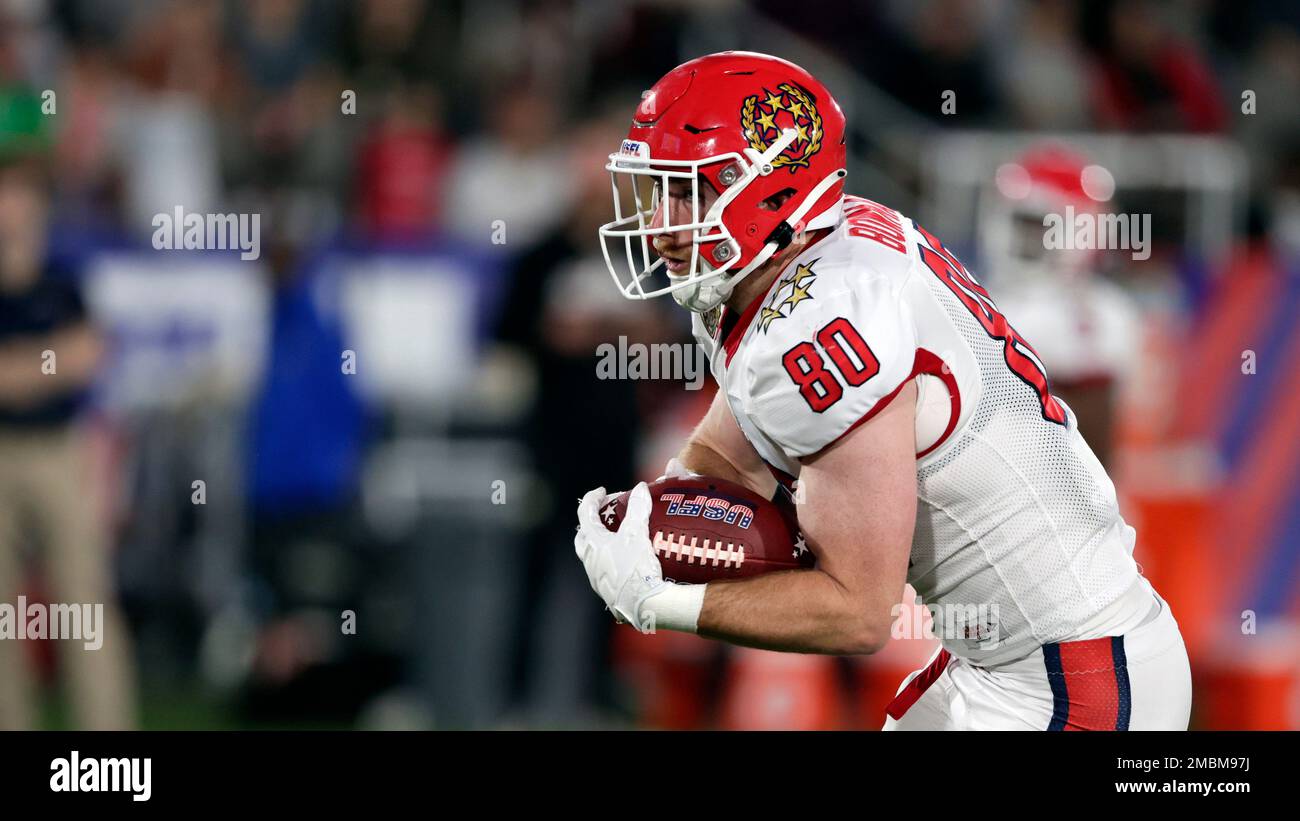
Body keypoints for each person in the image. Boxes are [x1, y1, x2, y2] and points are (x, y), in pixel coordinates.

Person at [573, 51, 1190, 730]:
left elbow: (857, 611)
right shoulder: (797, 259)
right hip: (1017, 660)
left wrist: (661, 598)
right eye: (657, 189)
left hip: (1075, 680)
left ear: (773, 191)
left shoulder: (825, 321)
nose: (661, 223)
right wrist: (651, 519)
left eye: (689, 191)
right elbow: (728, 463)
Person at [0, 154, 136, 729]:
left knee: (84, 605)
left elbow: (90, 355)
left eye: (19, 194)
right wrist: (49, 365)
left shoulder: (63, 286)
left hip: (59, 450)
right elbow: (68, 360)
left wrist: (22, 370)